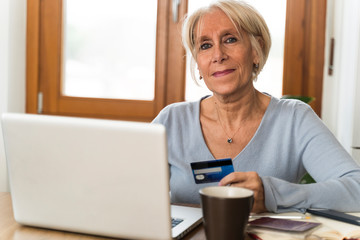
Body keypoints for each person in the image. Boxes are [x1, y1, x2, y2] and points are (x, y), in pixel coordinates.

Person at [152, 0, 360, 213]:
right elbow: (125, 188)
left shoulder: (294, 119)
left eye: (230, 39)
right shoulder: (171, 121)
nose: (218, 55)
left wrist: (274, 194)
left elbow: (357, 188)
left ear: (256, 50)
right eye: (205, 45)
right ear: (198, 63)